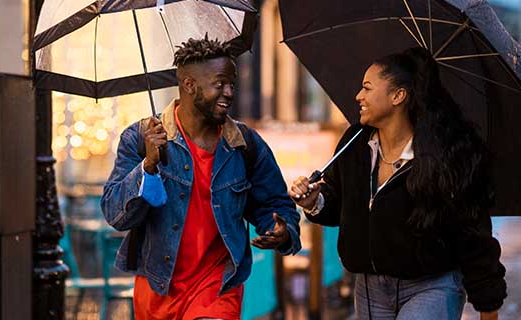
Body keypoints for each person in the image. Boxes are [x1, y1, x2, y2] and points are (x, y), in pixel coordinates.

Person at [290, 47, 506, 320]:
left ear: (398, 96)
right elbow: (339, 205)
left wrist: (488, 305)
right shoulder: (355, 142)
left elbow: (473, 234)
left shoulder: (446, 155)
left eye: (367, 88)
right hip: (369, 289)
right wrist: (315, 202)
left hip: (432, 287)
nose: (359, 96)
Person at [101, 36, 302, 320]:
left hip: (217, 287)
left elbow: (277, 204)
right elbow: (115, 214)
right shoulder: (139, 138)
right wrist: (148, 166)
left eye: (232, 84)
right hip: (157, 286)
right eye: (220, 84)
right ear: (189, 85)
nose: (229, 92)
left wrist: (281, 230)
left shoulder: (245, 144)